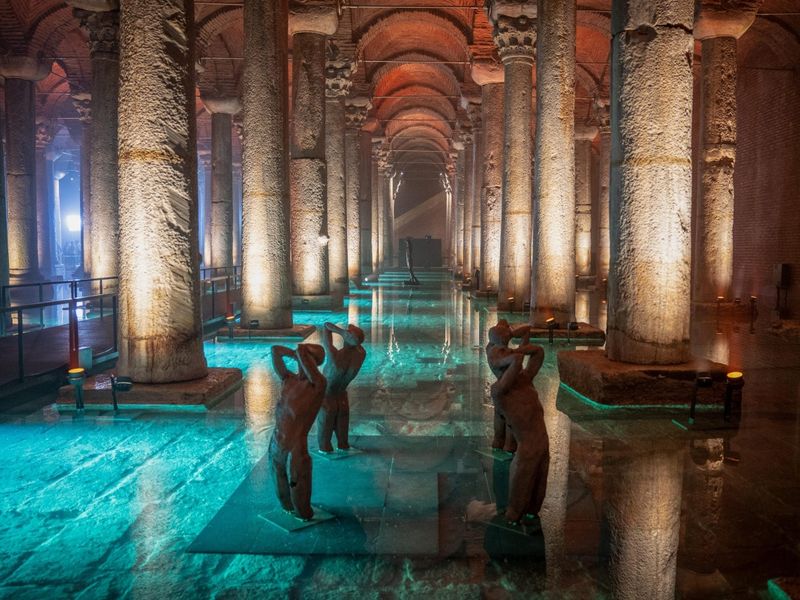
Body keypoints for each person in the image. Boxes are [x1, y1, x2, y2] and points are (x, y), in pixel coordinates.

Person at [486, 320, 549, 524]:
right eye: (502, 351)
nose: (509, 353)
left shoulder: (524, 379)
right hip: (528, 442)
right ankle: (513, 513)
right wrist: (516, 352)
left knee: (540, 476)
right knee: (524, 472)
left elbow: (538, 353)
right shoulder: (500, 391)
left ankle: (532, 509)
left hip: (541, 438)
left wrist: (521, 344)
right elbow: (515, 361)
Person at [269, 343, 327, 520]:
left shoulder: (317, 386)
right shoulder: (288, 379)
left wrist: (302, 352)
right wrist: (296, 354)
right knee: (281, 491)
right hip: (276, 440)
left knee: (299, 494)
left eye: (306, 357)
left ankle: (303, 512)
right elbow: (275, 350)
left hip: (296, 446)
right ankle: (287, 508)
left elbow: (310, 367)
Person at [485, 319, 533, 452]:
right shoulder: (503, 354)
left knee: (499, 417)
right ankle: (509, 446)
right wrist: (512, 337)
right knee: (509, 420)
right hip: (508, 390)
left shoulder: (490, 348)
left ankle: (498, 442)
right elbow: (517, 357)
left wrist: (510, 334)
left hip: (500, 388)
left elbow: (527, 330)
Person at [317, 322, 366, 452]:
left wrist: (341, 332)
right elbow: (356, 340)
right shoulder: (361, 354)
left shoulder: (335, 357)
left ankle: (325, 448)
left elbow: (326, 326)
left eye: (348, 332)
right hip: (341, 394)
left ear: (347, 338)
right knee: (342, 422)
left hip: (327, 394)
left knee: (325, 426)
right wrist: (349, 335)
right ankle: (343, 445)